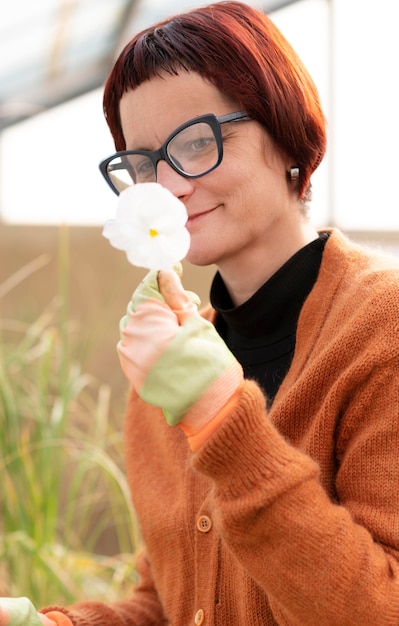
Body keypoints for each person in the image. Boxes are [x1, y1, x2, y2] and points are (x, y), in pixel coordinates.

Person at [2, 1, 399, 624]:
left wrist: (220, 420)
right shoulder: (171, 367)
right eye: (143, 162)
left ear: (286, 129)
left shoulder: (385, 329)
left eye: (197, 141)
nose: (171, 185)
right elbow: (171, 601)